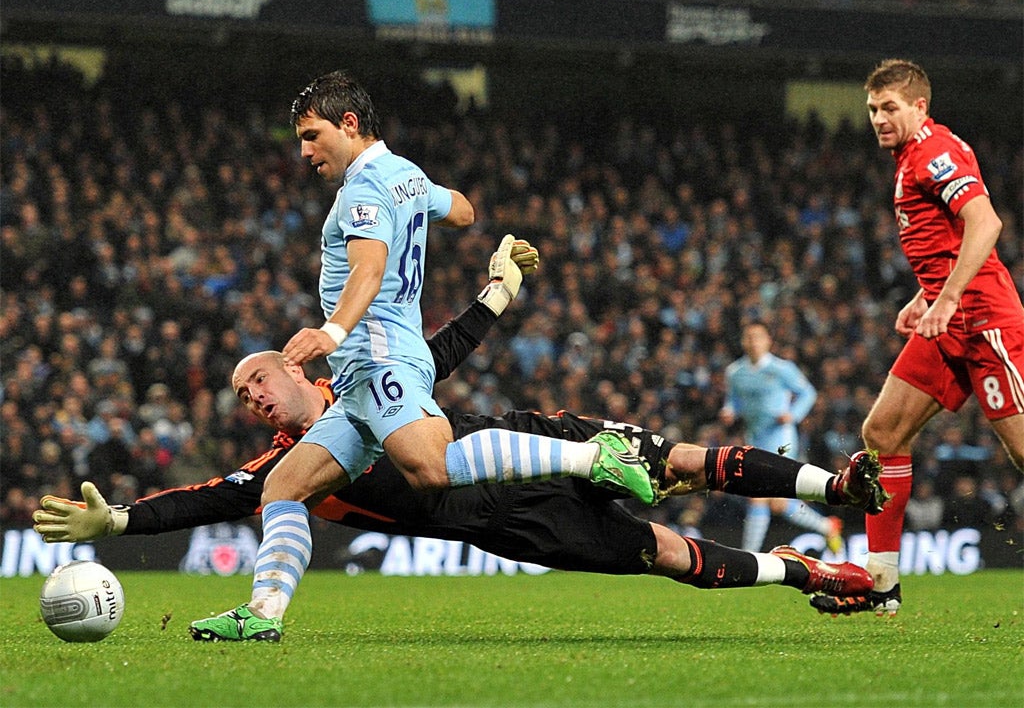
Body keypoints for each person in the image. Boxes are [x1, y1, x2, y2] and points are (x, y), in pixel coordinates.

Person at [33, 244, 887, 642]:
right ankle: (819, 574)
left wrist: (498, 294)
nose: (251, 399)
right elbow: (210, 498)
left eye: (256, 381)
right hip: (506, 523)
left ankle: (835, 489)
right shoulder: (294, 468)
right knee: (667, 551)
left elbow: (437, 352)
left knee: (687, 464)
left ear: (296, 366)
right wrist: (119, 526)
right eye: (241, 398)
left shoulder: (368, 383)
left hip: (516, 440)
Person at [211, 72, 654, 640]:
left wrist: (332, 331)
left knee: (432, 468)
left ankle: (594, 458)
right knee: (283, 488)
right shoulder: (406, 175)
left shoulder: (362, 191)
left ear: (349, 124)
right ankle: (263, 614)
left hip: (379, 359)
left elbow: (368, 270)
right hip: (359, 381)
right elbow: (464, 210)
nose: (304, 151)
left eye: (312, 134)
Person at [812, 59, 1024, 618]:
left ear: (919, 107)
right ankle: (880, 581)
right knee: (882, 432)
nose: (879, 119)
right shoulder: (912, 155)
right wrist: (928, 294)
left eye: (890, 108)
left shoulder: (934, 152)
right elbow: (947, 241)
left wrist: (949, 296)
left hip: (983, 319)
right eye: (873, 110)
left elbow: (986, 223)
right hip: (946, 317)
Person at [720, 321, 843, 553]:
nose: (753, 342)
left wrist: (793, 415)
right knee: (779, 503)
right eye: (749, 337)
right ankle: (827, 526)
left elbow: (807, 392)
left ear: (768, 341)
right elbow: (733, 400)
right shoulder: (736, 372)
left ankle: (750, 557)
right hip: (754, 438)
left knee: (757, 495)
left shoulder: (782, 369)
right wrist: (730, 411)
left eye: (758, 337)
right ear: (743, 342)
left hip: (781, 440)